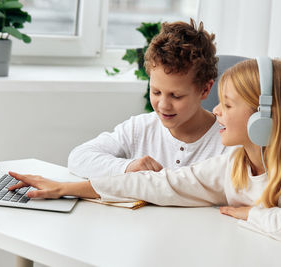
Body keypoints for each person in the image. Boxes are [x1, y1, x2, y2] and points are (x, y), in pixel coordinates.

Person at [9, 58, 281, 244]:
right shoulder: (234, 165)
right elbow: (160, 183)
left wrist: (246, 213)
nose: (216, 112)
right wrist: (67, 188)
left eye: (227, 105)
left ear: (264, 117)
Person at [67, 19, 230, 178]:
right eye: (156, 92)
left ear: (205, 89)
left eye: (176, 96)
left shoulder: (228, 141)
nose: (164, 106)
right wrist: (127, 167)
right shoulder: (139, 129)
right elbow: (78, 157)